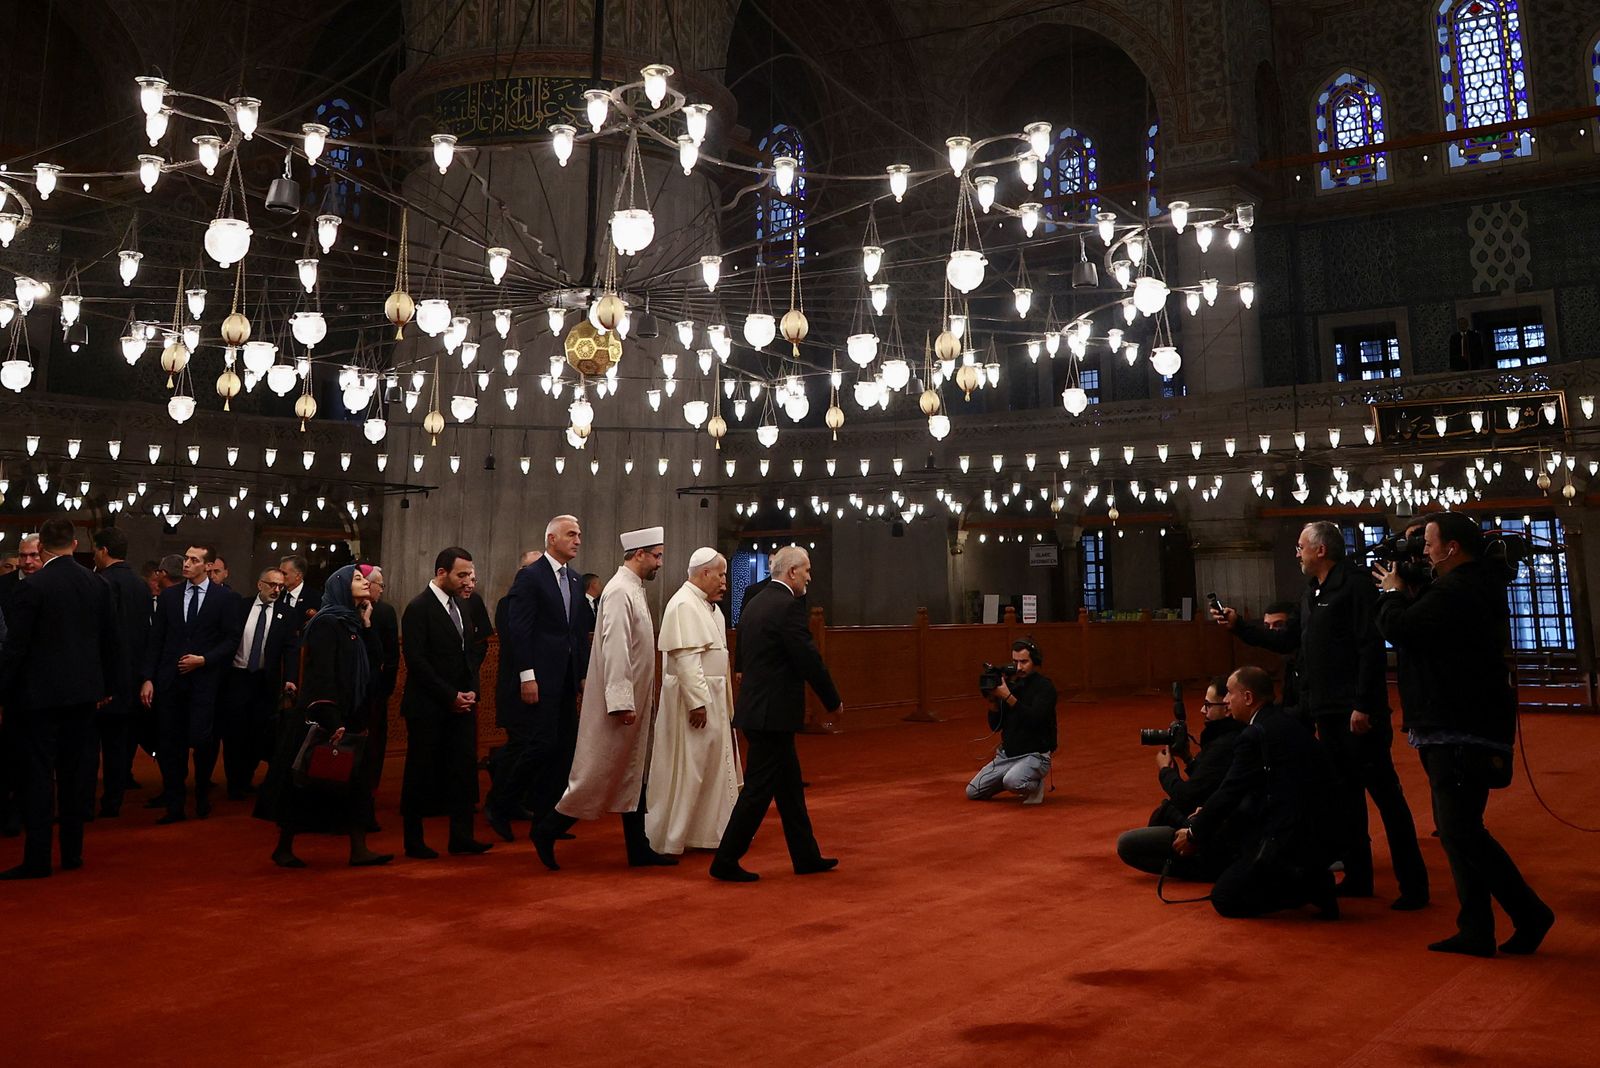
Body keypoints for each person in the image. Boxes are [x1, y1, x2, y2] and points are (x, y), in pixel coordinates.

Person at [1214, 521, 1427, 909]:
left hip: (1357, 714)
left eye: (1300, 547)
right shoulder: (1311, 592)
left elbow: (1370, 649)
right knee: (1344, 801)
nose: (1297, 552)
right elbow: (1289, 641)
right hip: (1325, 713)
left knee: (1387, 799)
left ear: (1321, 550)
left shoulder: (1356, 586)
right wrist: (1239, 627)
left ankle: (1414, 886)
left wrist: (1363, 704)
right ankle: (1359, 878)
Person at [1375, 513, 1554, 957]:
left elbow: (1400, 629)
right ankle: (1476, 927)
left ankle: (1529, 912)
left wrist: (1394, 595)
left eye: (1430, 543)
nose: (1424, 552)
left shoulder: (1461, 588)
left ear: (1452, 547)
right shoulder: (1466, 584)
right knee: (1457, 830)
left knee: (1460, 829)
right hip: (1454, 722)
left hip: (1460, 725)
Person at [534, 527, 675, 870]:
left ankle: (638, 849)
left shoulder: (633, 589)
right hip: (619, 706)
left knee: (632, 774)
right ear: (638, 554)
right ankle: (546, 829)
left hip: (633, 703)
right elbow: (615, 650)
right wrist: (622, 701)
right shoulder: (618, 592)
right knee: (596, 775)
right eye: (656, 555)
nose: (660, 562)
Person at [712, 546, 843, 883]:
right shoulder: (787, 607)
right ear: (792, 572)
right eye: (807, 571)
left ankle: (805, 856)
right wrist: (832, 699)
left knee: (789, 791)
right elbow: (807, 658)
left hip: (760, 711)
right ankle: (725, 859)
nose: (810, 578)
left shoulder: (756, 601)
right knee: (758, 791)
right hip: (771, 715)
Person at [0, 517, 118, 879]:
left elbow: (16, 648)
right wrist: (106, 688)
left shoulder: (33, 588)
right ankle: (72, 854)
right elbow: (111, 642)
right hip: (83, 697)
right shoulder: (97, 584)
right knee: (74, 775)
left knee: (37, 779)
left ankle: (37, 859)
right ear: (74, 542)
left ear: (45, 547)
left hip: (37, 700)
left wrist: (3, 692)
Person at [1173, 667, 1340, 920]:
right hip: (1320, 831)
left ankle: (1307, 887)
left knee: (1225, 897)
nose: (1226, 701)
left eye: (1229, 693)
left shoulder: (1253, 736)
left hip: (1290, 836)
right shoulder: (1286, 722)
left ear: (1248, 698)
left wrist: (1195, 833)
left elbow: (1230, 792)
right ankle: (1310, 879)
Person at [255, 564, 391, 868]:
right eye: (357, 579)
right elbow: (321, 673)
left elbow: (375, 662)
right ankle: (284, 846)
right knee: (306, 784)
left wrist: (367, 625)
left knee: (353, 784)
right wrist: (332, 716)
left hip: (349, 713)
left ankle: (359, 848)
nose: (365, 583)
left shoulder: (353, 622)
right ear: (341, 586)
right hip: (323, 715)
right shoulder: (327, 623)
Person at [488, 516, 593, 839]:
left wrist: (583, 676)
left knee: (563, 749)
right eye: (571, 535)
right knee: (539, 745)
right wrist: (527, 676)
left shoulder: (575, 581)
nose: (577, 540)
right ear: (551, 539)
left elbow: (576, 634)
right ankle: (500, 805)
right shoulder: (531, 577)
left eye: (579, 534)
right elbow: (520, 631)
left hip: (564, 680)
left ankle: (546, 821)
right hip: (538, 679)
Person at [647, 549, 741, 856]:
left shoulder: (710, 607)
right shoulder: (683, 604)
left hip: (712, 697)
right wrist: (698, 702)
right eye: (721, 574)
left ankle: (706, 832)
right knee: (691, 769)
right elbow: (686, 659)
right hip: (694, 703)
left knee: (711, 769)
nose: (725, 582)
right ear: (703, 574)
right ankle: (675, 836)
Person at [399, 547, 492, 859]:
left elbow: (471, 653)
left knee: (463, 771)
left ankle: (461, 836)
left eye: (471, 575)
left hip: (462, 705)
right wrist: (449, 695)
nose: (469, 582)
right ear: (442, 573)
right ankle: (414, 841)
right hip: (427, 706)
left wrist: (470, 692)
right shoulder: (418, 607)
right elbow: (416, 661)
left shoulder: (464, 606)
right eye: (462, 575)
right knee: (419, 772)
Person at [141, 544, 243, 823]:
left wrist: (205, 660)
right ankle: (174, 804)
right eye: (186, 558)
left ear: (208, 566)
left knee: (203, 743)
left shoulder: (224, 598)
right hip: (170, 682)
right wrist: (148, 678)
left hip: (205, 683)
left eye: (194, 560)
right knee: (170, 745)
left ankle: (200, 794)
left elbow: (232, 640)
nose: (186, 564)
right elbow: (156, 640)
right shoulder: (170, 596)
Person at [1116, 676, 1247, 881]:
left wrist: (1165, 771)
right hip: (1215, 823)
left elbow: (1187, 795)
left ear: (1227, 708)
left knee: (1127, 845)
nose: (1203, 711)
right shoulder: (1227, 738)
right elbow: (1207, 783)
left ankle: (1203, 866)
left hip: (1215, 833)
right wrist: (1187, 758)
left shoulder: (1224, 744)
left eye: (1208, 705)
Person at [202, 568, 297, 801]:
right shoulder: (240, 607)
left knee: (258, 733)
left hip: (264, 681)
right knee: (234, 733)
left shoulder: (286, 613)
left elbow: (291, 650)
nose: (276, 590)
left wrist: (291, 679)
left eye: (280, 586)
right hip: (236, 678)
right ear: (259, 584)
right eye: (271, 585)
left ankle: (245, 778)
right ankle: (235, 782)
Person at [91, 527, 152, 817]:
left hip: (102, 681)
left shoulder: (99, 582)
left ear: (103, 550)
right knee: (118, 748)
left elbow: (98, 636)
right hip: (131, 680)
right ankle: (113, 802)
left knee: (89, 750)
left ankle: (83, 801)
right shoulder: (141, 586)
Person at [966, 639, 1058, 804]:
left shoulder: (1045, 687)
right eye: (1015, 662)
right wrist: (993, 701)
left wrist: (1008, 697)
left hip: (1035, 755)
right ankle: (1013, 774)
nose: (1019, 667)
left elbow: (1034, 719)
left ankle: (1034, 784)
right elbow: (996, 726)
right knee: (973, 791)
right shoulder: (1010, 685)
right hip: (1006, 756)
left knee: (1013, 782)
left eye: (1024, 662)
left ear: (1035, 661)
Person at [363, 566, 401, 806]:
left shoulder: (385, 612)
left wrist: (387, 687)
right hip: (352, 690)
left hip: (376, 691)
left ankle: (370, 792)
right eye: (380, 585)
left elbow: (391, 656)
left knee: (375, 743)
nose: (382, 590)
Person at [1260, 601, 1301, 715]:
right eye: (1267, 626)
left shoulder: (1305, 657)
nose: (1272, 632)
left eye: (1278, 625)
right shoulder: (1287, 660)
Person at [278, 555, 320, 638]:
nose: (280, 577)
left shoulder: (315, 598)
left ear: (298, 576)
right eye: (279, 573)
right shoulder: (277, 596)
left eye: (284, 573)